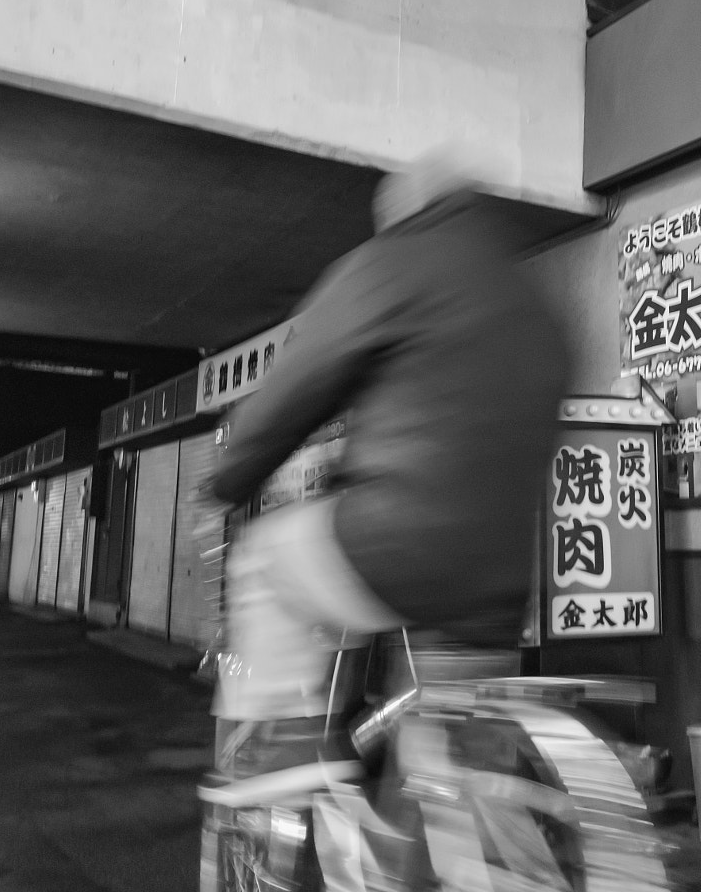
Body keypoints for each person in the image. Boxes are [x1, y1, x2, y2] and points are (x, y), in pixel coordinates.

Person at [204, 147, 571, 797]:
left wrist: (230, 478)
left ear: (400, 212)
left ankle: (289, 741)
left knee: (261, 562)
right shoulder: (535, 303)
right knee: (462, 763)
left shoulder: (391, 263)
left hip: (395, 545)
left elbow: (297, 384)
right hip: (498, 583)